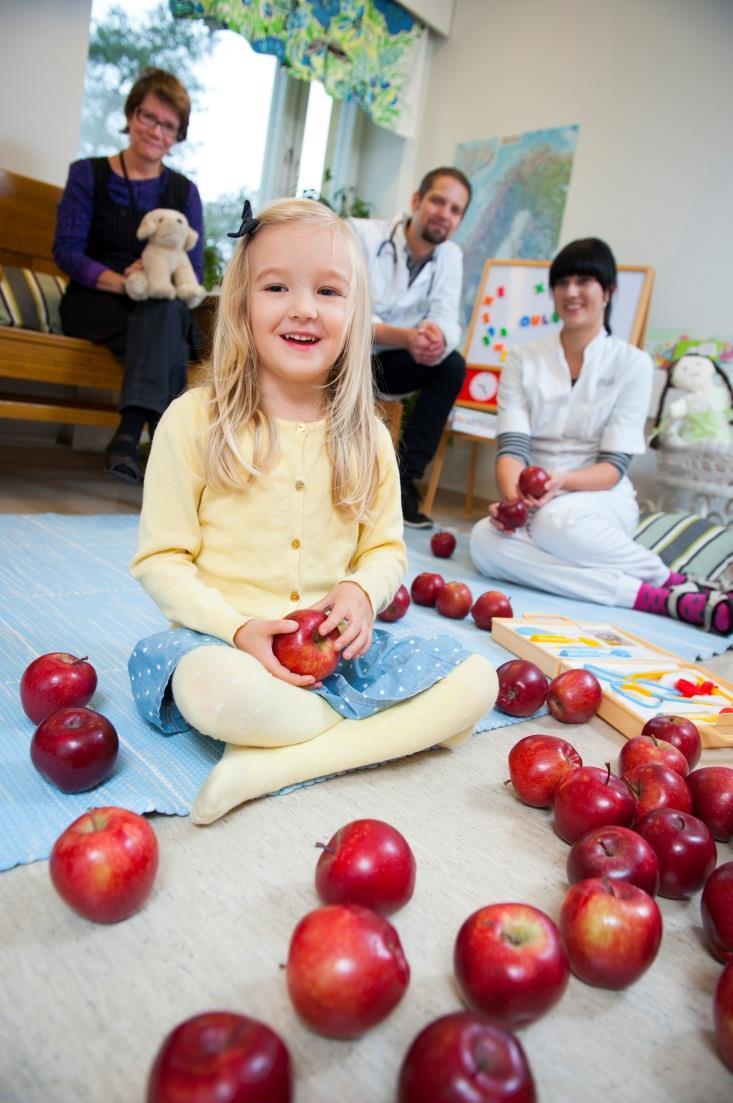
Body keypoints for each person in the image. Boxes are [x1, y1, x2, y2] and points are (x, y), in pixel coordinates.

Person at [128, 198, 498, 825]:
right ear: (242, 304)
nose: (303, 307)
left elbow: (384, 550)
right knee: (214, 695)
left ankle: (274, 764)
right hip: (225, 646)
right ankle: (386, 730)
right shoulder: (193, 421)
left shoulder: (369, 436)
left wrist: (360, 590)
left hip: (337, 659)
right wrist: (238, 628)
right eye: (277, 287)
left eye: (329, 291)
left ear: (357, 316)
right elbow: (161, 559)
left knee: (478, 683)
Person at [470, 237, 732, 635]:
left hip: (597, 498)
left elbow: (613, 467)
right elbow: (512, 448)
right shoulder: (523, 359)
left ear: (608, 292)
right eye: (562, 282)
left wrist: (558, 485)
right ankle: (655, 596)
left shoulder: (633, 364)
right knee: (483, 542)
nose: (571, 292)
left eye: (585, 280)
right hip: (531, 498)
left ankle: (665, 579)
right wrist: (511, 505)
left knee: (555, 523)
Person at [53, 67, 204, 486]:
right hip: (97, 300)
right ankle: (161, 446)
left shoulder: (185, 192)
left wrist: (156, 284)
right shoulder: (88, 174)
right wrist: (124, 281)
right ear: (131, 114)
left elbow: (193, 268)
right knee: (168, 329)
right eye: (149, 117)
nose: (156, 131)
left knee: (164, 312)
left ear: (178, 135)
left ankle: (124, 440)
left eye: (169, 125)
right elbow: (66, 251)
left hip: (158, 305)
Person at [348, 167, 471, 529]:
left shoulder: (451, 256)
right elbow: (344, 311)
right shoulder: (362, 235)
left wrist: (436, 337)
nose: (444, 214)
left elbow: (448, 316)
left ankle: (403, 482)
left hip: (393, 362)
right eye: (437, 201)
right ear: (416, 201)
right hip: (347, 356)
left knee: (451, 365)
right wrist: (404, 336)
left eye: (455, 209)